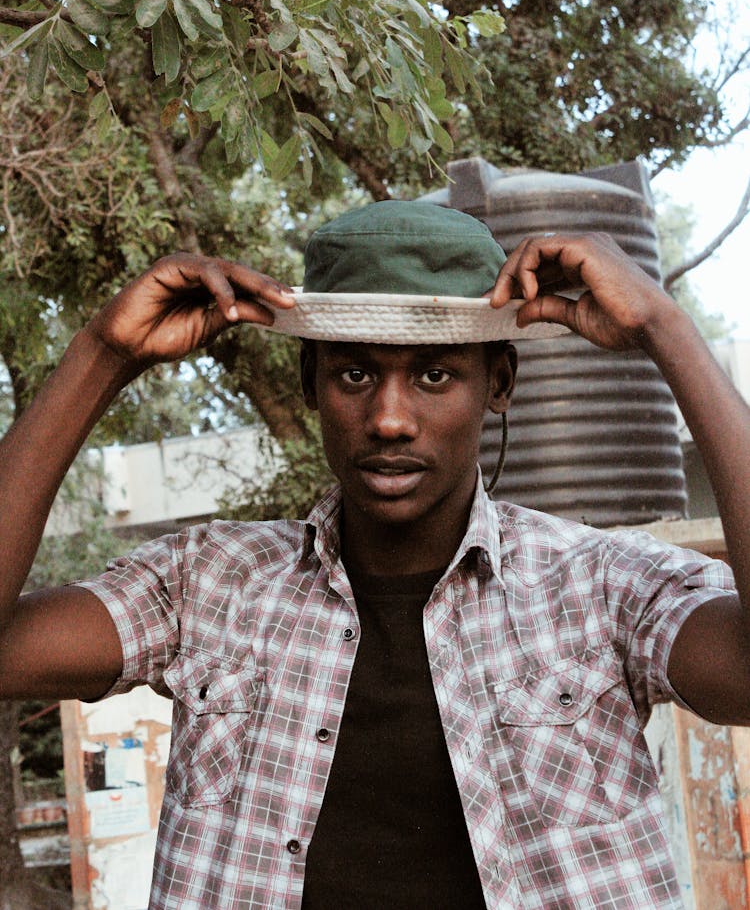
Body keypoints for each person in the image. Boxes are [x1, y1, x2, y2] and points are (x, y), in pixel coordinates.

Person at [0, 199, 749, 910]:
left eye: (434, 373)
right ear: (312, 384)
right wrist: (103, 352)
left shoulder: (601, 587)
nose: (390, 418)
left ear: (500, 381)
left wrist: (665, 327)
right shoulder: (207, 585)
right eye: (355, 372)